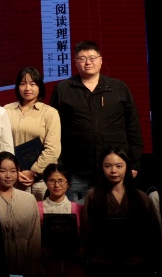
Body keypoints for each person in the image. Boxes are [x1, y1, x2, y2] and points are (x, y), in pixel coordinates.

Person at [48, 41, 144, 201]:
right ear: (75, 62)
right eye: (82, 58)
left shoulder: (118, 88)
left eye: (92, 58)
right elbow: (53, 130)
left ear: (100, 60)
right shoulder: (63, 89)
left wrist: (134, 163)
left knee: (115, 213)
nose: (88, 62)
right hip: (76, 170)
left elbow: (133, 127)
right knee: (79, 214)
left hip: (114, 170)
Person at [80, 146, 161, 277]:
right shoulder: (92, 195)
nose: (113, 171)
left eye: (119, 166)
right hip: (103, 265)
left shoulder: (141, 197)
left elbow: (152, 233)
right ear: (102, 168)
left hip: (134, 265)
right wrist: (94, 258)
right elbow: (87, 231)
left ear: (127, 168)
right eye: (108, 166)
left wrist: (143, 258)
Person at [4, 67, 62, 200]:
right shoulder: (6, 110)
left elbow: (53, 149)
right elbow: (0, 144)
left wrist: (33, 172)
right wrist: (14, 171)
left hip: (41, 180)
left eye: (33, 84)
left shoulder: (50, 113)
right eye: (23, 83)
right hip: (12, 177)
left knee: (40, 212)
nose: (27, 88)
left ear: (40, 87)